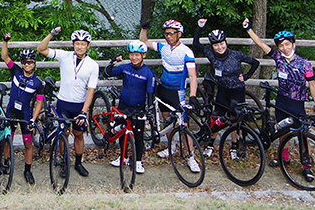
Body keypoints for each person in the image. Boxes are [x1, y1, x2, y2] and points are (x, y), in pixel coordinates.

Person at [244, 19, 315, 181]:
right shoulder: (278, 58)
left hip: (297, 104)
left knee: (303, 134)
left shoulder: (305, 64)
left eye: (287, 44)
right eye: (281, 45)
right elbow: (260, 44)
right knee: (283, 132)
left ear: (293, 44)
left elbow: (312, 84)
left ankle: (307, 165)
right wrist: (248, 29)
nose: (284, 48)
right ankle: (284, 158)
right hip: (282, 102)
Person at [139, 19, 200, 172]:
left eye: (171, 33)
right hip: (163, 89)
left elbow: (193, 76)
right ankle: (171, 147)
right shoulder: (163, 47)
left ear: (179, 34)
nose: (168, 36)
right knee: (167, 121)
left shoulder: (186, 52)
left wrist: (192, 95)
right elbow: (143, 42)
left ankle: (191, 156)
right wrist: (144, 28)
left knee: (183, 124)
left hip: (177, 92)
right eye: (166, 34)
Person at [37, 26, 98, 177]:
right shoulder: (64, 56)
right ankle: (65, 161)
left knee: (78, 134)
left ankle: (78, 162)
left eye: (83, 44)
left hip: (79, 104)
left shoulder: (93, 65)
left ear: (88, 46)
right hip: (63, 102)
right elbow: (41, 49)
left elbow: (91, 90)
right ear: (73, 44)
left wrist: (84, 112)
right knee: (63, 133)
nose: (80, 46)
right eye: (77, 43)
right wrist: (52, 34)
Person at [0, 35, 45, 184]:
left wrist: (33, 119)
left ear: (34, 63)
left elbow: (39, 103)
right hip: (11, 111)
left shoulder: (38, 83)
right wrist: (5, 41)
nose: (27, 65)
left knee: (28, 143)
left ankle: (27, 170)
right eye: (24, 62)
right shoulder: (16, 71)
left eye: (30, 62)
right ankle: (6, 165)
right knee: (6, 139)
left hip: (25, 115)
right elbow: (5, 56)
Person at [191, 18, 259, 121]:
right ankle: (213, 138)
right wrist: (200, 26)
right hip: (222, 91)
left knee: (236, 120)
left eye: (222, 44)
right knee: (216, 119)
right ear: (212, 46)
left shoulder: (236, 55)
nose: (219, 47)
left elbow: (255, 63)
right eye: (216, 45)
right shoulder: (211, 54)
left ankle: (235, 138)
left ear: (226, 42)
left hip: (237, 91)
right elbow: (196, 43)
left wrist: (246, 76)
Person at [105, 40, 157, 174]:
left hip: (138, 108)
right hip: (123, 106)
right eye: (132, 54)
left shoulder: (148, 73)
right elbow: (107, 73)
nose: (134, 57)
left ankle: (138, 162)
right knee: (123, 132)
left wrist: (150, 110)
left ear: (144, 55)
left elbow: (150, 94)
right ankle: (122, 157)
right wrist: (113, 61)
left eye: (137, 55)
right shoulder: (125, 67)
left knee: (138, 135)